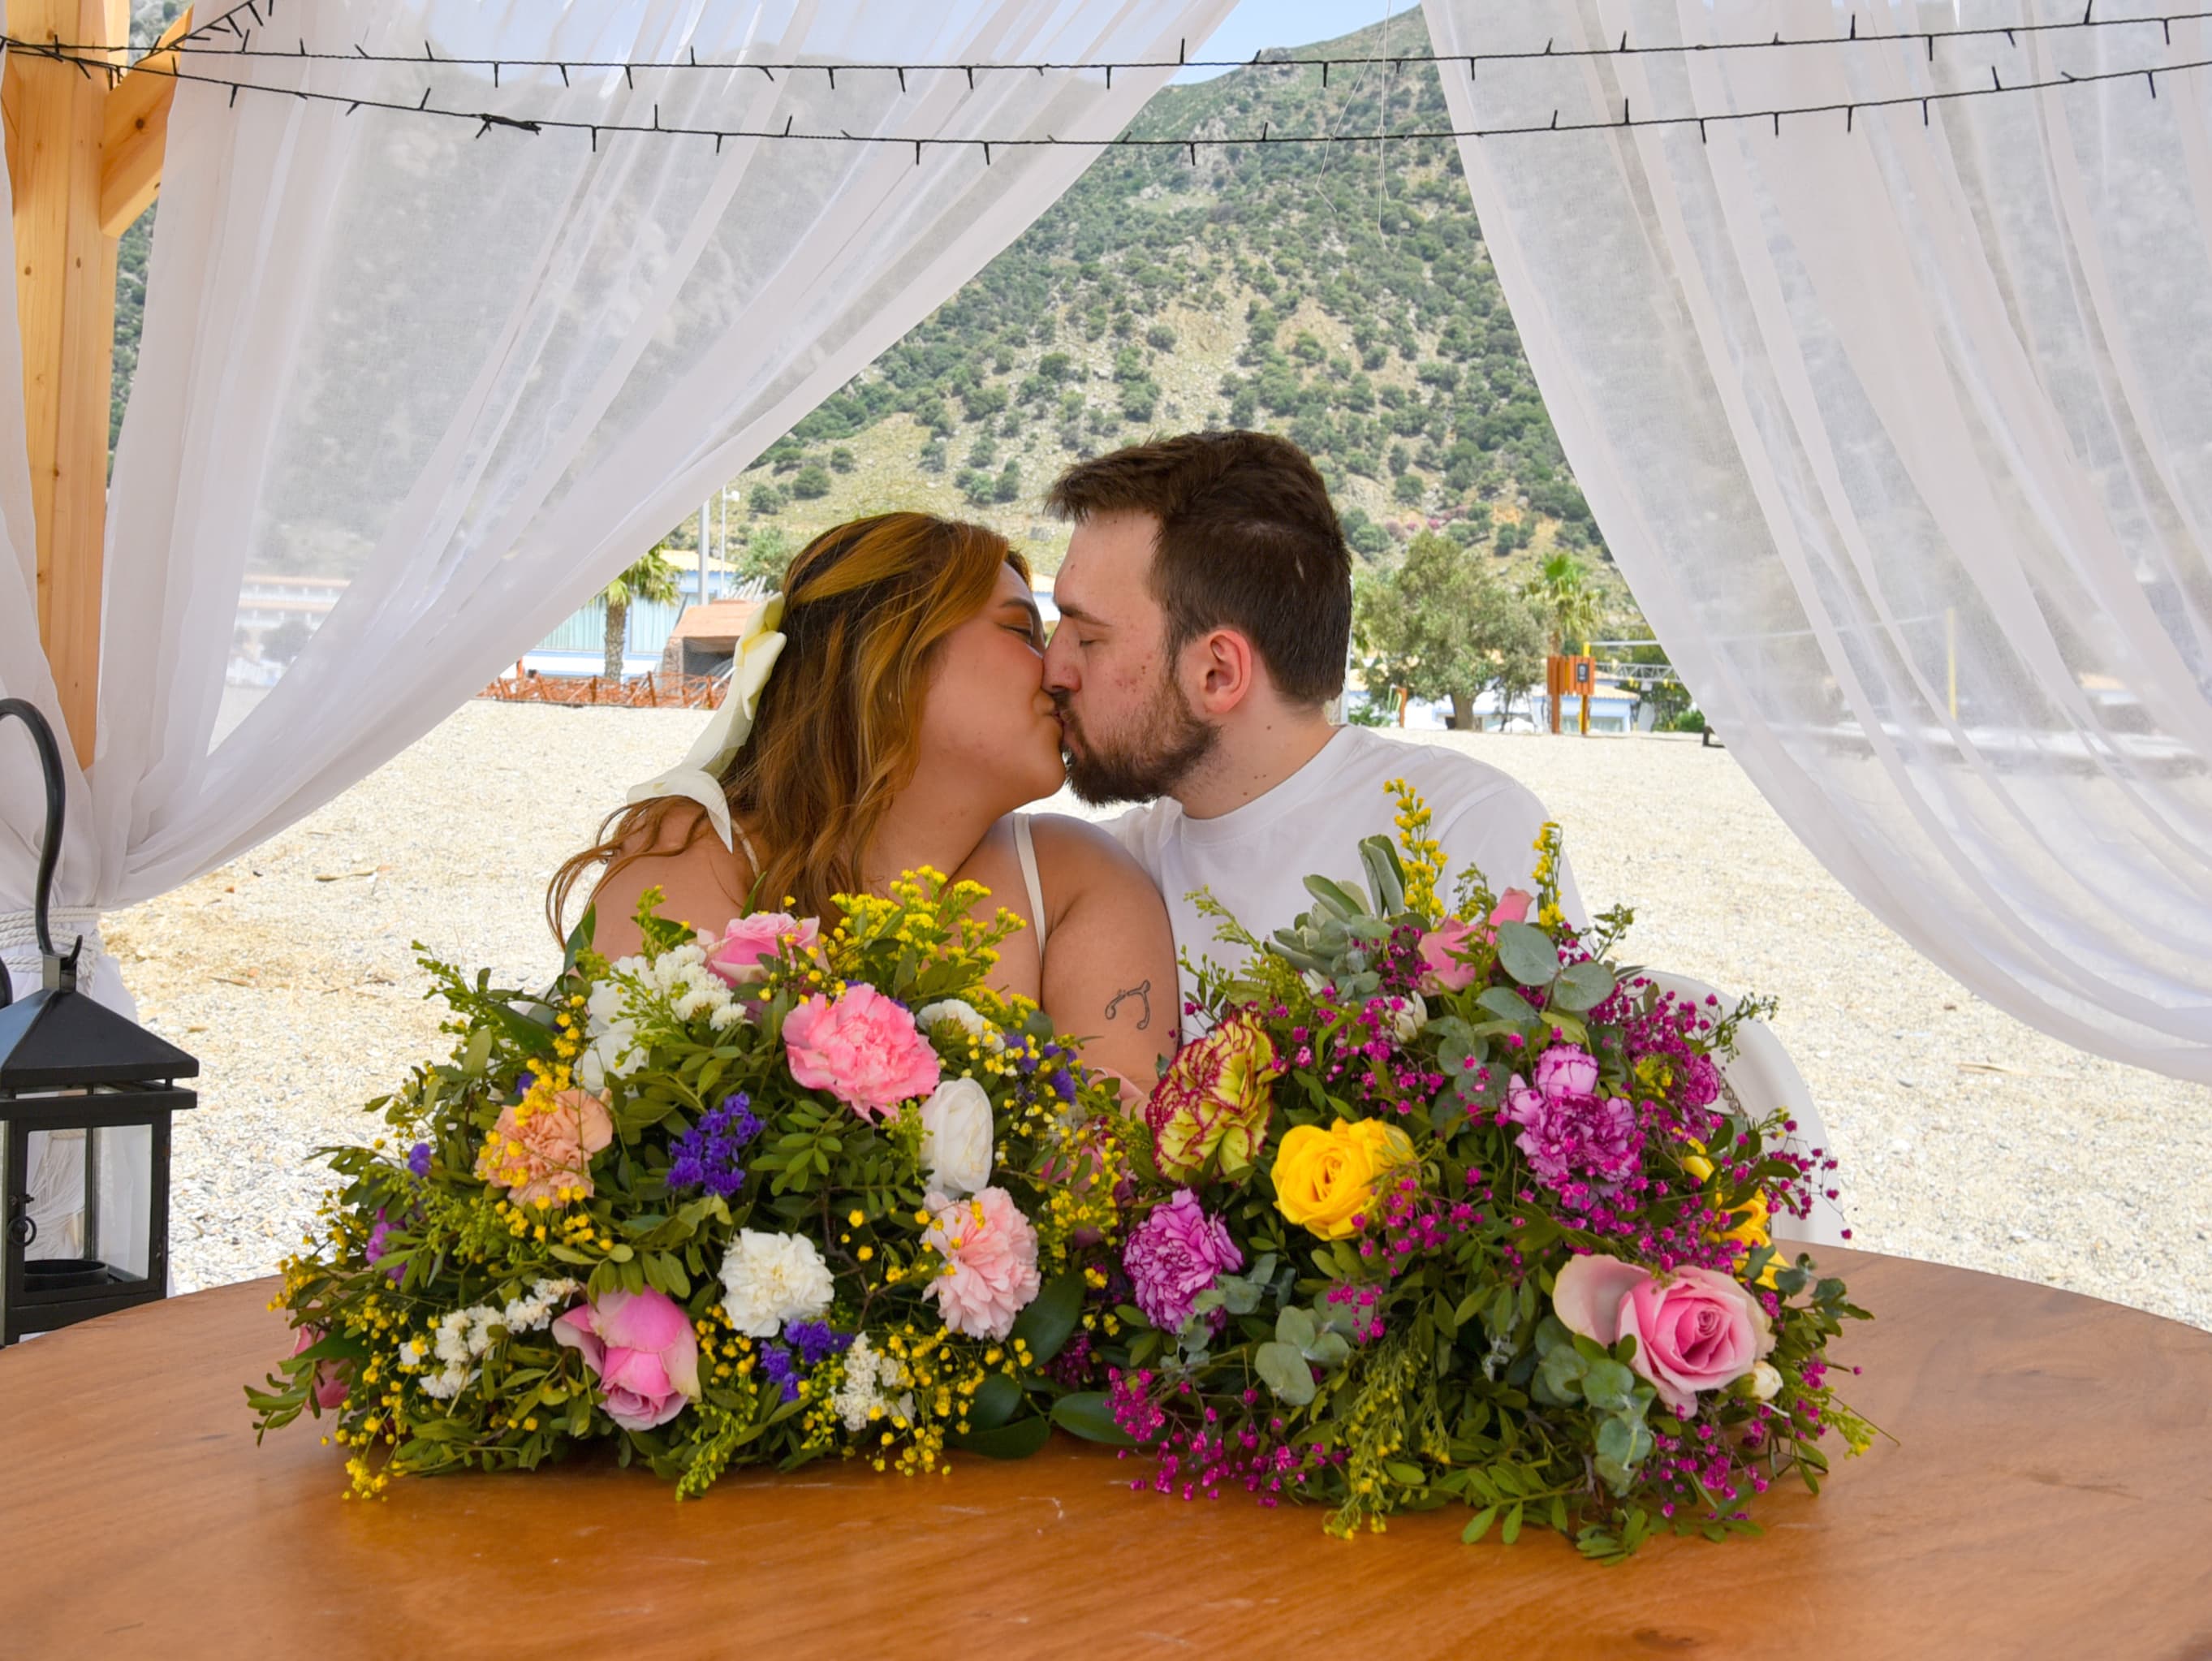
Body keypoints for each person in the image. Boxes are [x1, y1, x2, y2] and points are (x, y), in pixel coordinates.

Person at [548, 511, 1177, 1084]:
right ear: (890, 655)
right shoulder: (699, 852)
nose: (1059, 671)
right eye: (1022, 631)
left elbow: (1121, 1153)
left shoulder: (1075, 880)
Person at [1040, 430, 1584, 1016]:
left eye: (1087, 637)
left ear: (1218, 674)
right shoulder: (1108, 873)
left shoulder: (1466, 829)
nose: (1052, 669)